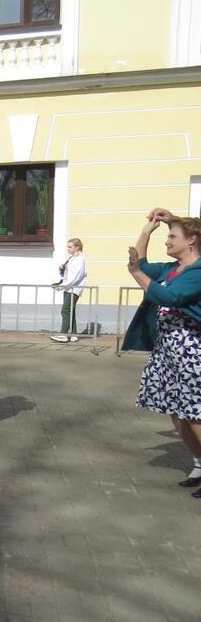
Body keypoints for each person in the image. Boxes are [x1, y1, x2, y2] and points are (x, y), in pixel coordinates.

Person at [123, 209, 201, 496]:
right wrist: (149, 229)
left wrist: (135, 273)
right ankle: (198, 462)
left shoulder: (198, 272)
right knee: (174, 410)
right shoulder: (172, 269)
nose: (167, 241)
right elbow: (142, 264)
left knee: (194, 413)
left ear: (191, 240)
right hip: (168, 352)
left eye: (172, 236)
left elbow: (170, 296)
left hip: (193, 353)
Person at [49, 238, 88, 343]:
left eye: (70, 247)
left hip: (74, 288)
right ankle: (73, 334)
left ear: (77, 247)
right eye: (68, 247)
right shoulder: (71, 258)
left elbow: (76, 276)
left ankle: (64, 334)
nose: (68, 249)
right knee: (71, 311)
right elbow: (67, 272)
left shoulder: (80, 259)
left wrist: (63, 285)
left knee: (65, 310)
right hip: (68, 287)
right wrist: (62, 269)